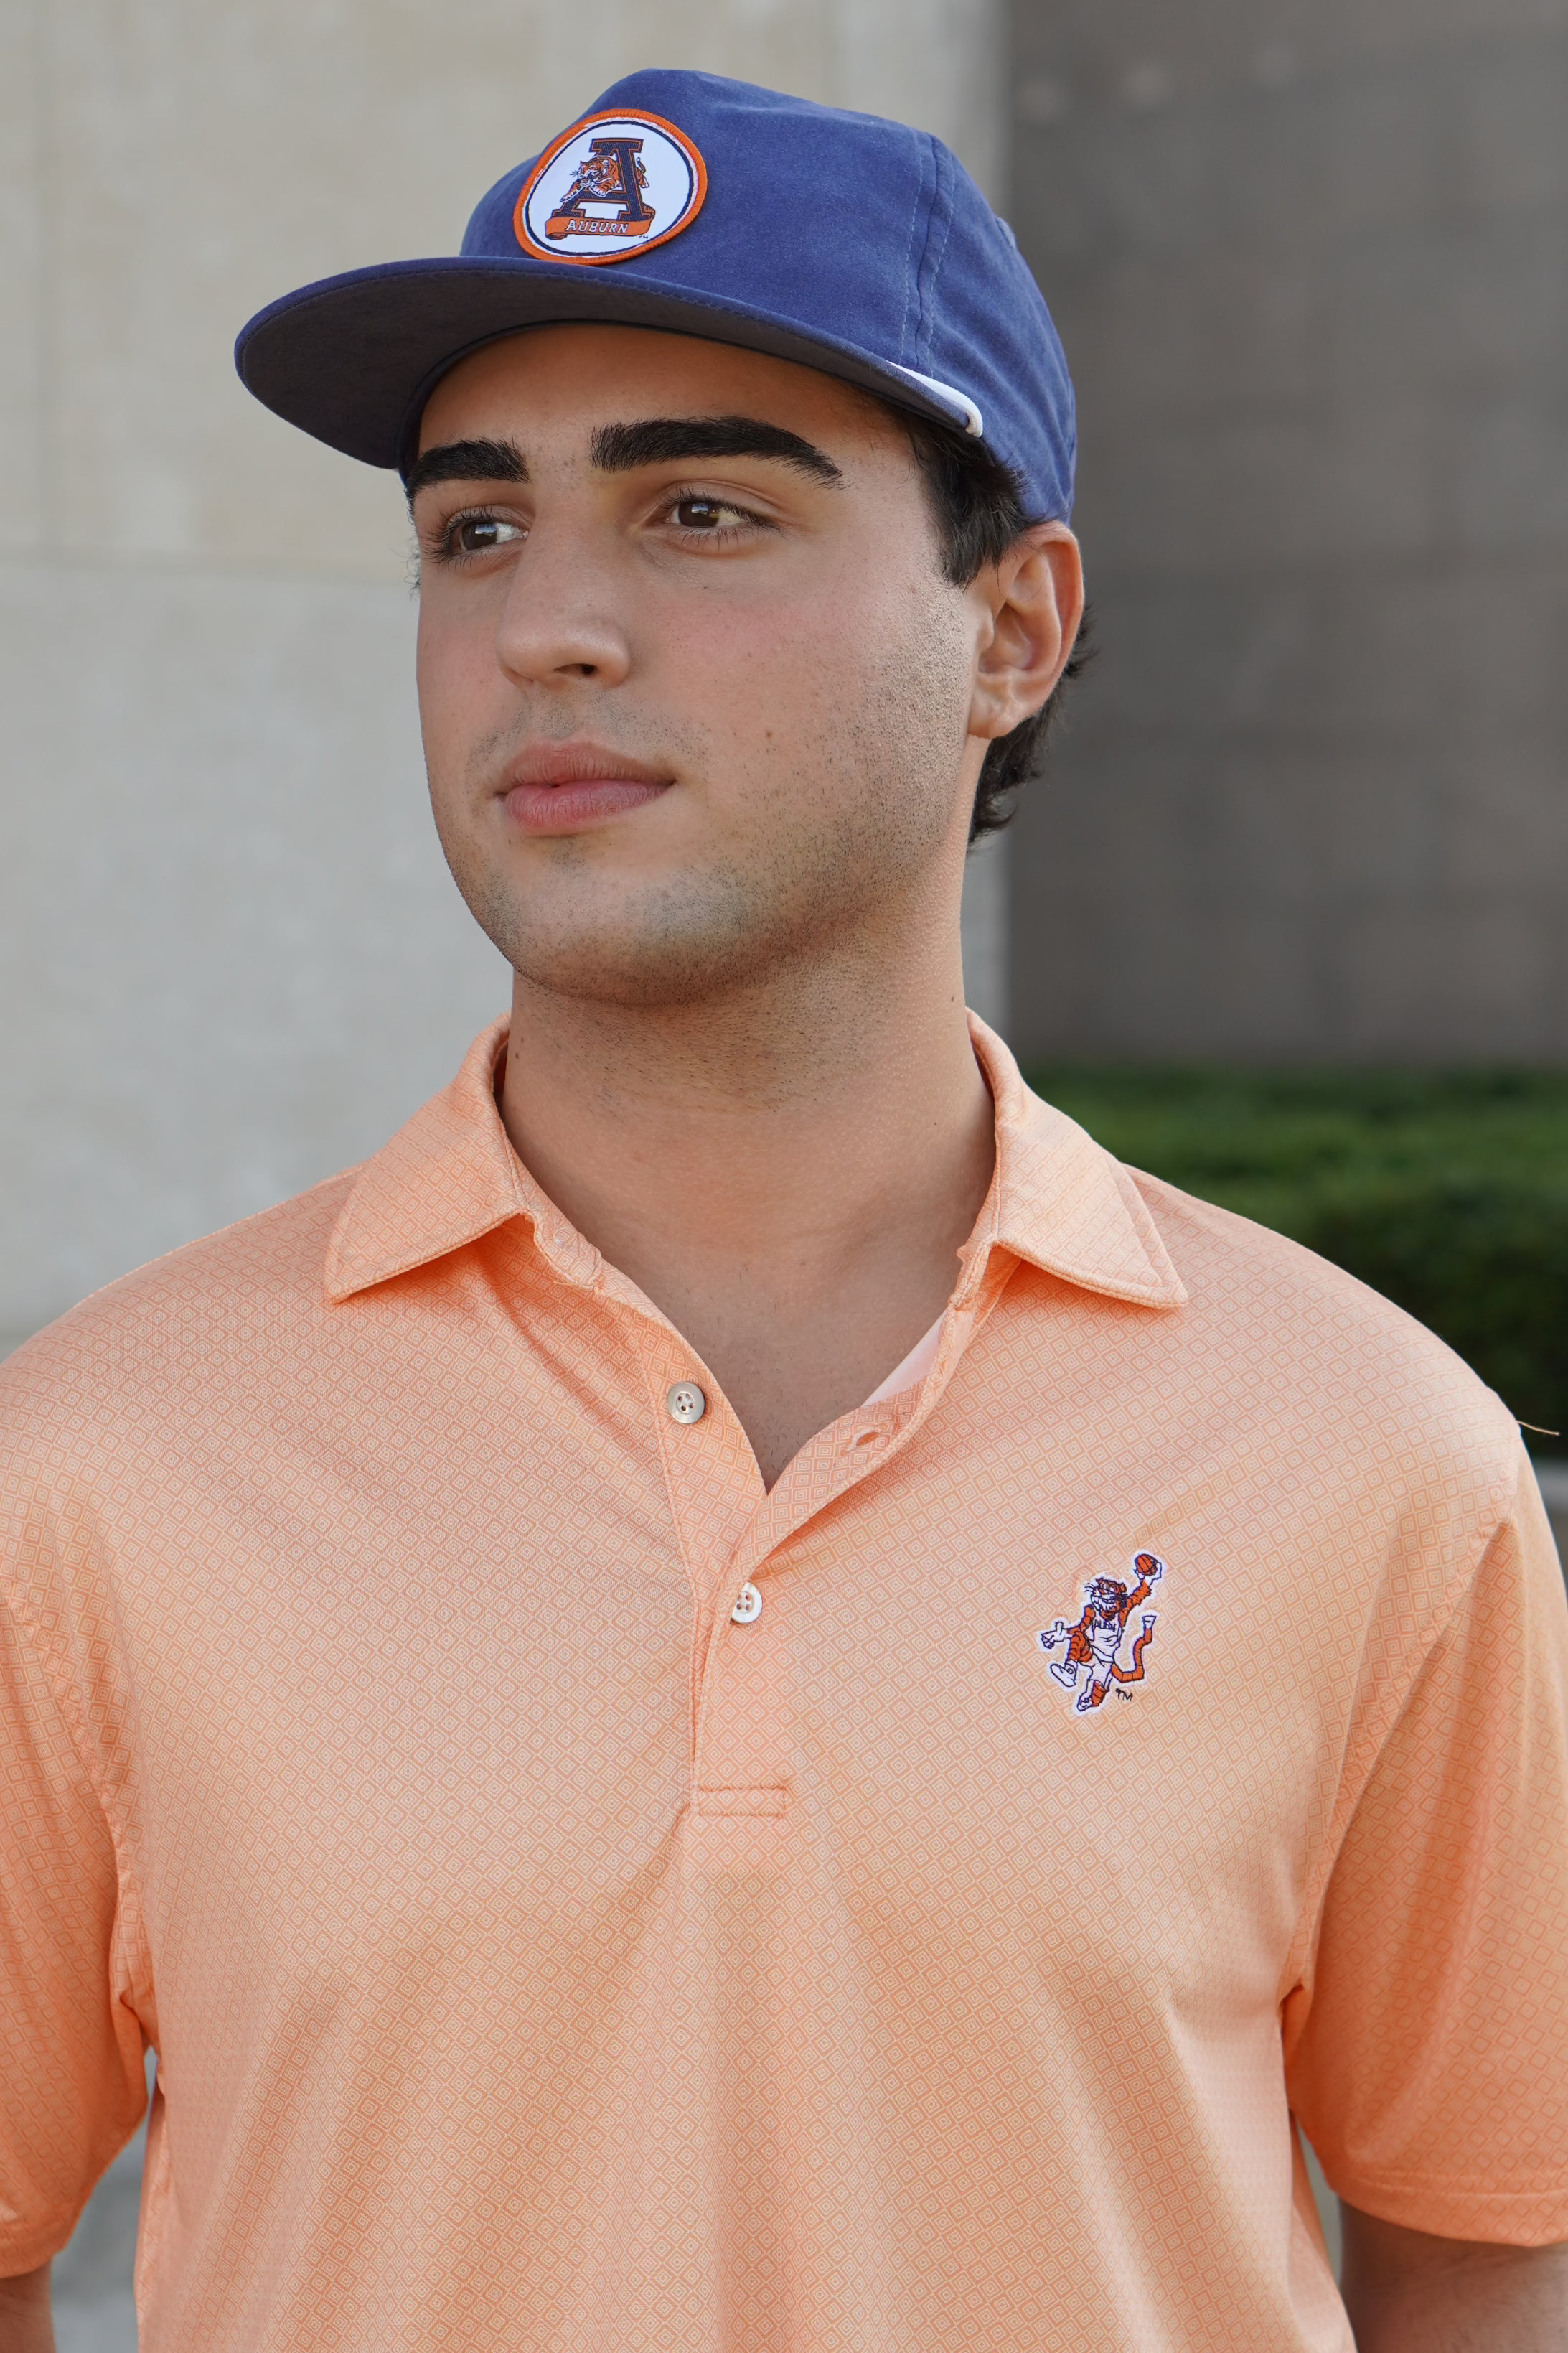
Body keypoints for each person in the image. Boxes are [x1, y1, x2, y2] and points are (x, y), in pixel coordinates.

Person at [1, 67, 1565, 2353]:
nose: (549, 624)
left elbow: (1480, 2238)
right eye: (474, 530)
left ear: (1012, 629)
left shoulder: (1367, 1457)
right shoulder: (101, 1462)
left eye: (703, 512)